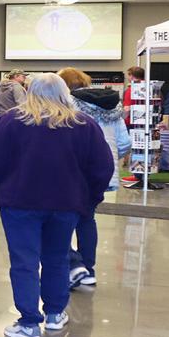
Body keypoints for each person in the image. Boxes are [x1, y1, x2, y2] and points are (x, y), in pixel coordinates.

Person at [0, 74, 112, 337]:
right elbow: (102, 167)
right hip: (66, 204)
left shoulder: (11, 121)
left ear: (30, 91)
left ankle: (29, 324)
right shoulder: (83, 124)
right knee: (57, 258)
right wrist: (89, 199)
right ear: (65, 92)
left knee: (24, 262)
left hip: (19, 204)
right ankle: (56, 314)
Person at [57, 67, 128, 290]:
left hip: (72, 172)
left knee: (62, 220)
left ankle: (72, 266)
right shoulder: (112, 107)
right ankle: (89, 269)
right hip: (102, 174)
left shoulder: (66, 107)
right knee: (88, 219)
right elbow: (125, 143)